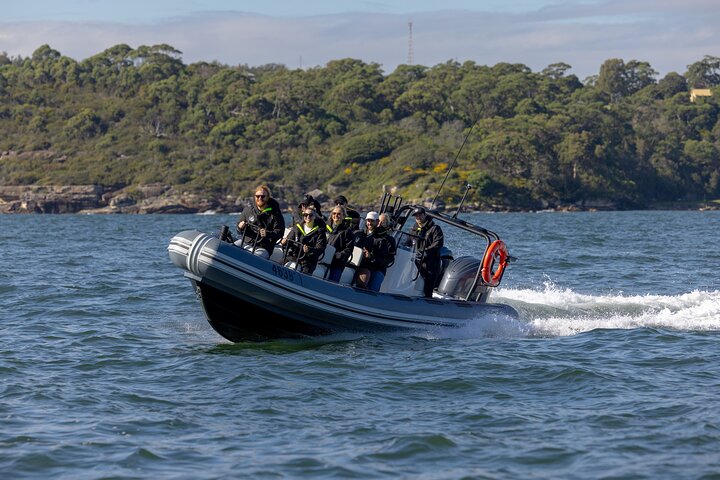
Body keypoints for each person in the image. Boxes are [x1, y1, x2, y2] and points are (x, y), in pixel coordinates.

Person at [235, 185, 285, 259]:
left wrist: (267, 233)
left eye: (262, 196)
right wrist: (239, 227)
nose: (260, 198)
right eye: (257, 196)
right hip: (246, 242)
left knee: (254, 258)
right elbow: (238, 230)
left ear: (267, 197)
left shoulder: (275, 213)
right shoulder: (248, 210)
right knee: (229, 248)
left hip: (263, 247)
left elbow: (280, 232)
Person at [409, 207, 444, 297]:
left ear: (425, 215)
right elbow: (407, 242)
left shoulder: (435, 229)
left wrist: (425, 252)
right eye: (416, 216)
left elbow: (438, 244)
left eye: (420, 215)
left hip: (431, 263)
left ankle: (428, 300)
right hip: (416, 262)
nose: (418, 217)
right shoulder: (413, 229)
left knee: (428, 288)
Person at [281, 207, 327, 274]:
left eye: (310, 215)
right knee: (281, 263)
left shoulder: (320, 232)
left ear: (314, 217)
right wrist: (284, 242)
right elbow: (289, 240)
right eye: (305, 215)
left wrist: (309, 250)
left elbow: (320, 249)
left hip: (308, 261)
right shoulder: (297, 227)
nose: (308, 217)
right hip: (294, 256)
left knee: (305, 272)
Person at [356, 211, 393, 291]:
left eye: (372, 221)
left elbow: (385, 260)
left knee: (372, 286)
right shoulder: (360, 234)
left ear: (377, 222)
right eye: (368, 220)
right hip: (360, 264)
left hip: (377, 268)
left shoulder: (383, 240)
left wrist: (370, 256)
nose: (369, 223)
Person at [326, 205, 355, 282]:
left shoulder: (347, 232)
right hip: (323, 260)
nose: (336, 215)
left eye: (339, 214)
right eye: (334, 213)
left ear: (344, 216)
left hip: (336, 264)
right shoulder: (325, 227)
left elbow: (349, 249)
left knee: (332, 280)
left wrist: (338, 255)